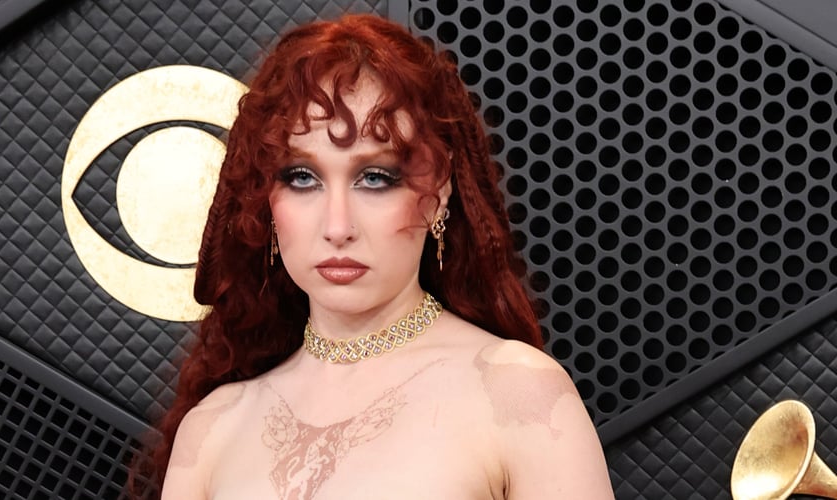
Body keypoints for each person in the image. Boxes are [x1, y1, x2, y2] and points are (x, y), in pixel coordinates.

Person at [131, 13, 613, 500]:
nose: (338, 227)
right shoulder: (213, 427)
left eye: (376, 178)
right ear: (266, 200)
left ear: (439, 193)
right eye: (302, 178)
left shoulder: (518, 392)